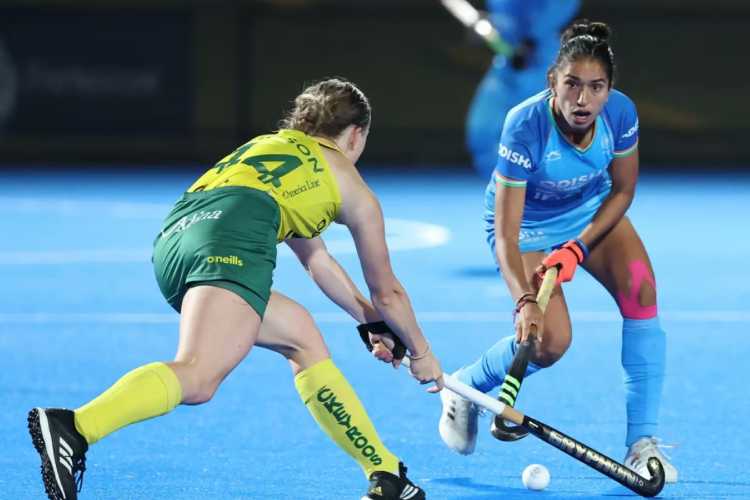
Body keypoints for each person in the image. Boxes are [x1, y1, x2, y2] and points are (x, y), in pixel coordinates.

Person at [28, 77, 444, 500]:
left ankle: (384, 470)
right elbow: (388, 291)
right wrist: (423, 353)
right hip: (232, 237)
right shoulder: (351, 185)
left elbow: (317, 260)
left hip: (175, 242)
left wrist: (370, 321)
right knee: (199, 375)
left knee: (300, 335)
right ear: (356, 134)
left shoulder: (271, 146)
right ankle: (76, 427)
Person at [439, 20, 678, 483]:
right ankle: (466, 385)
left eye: (596, 87)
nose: (583, 100)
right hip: (527, 226)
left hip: (589, 215)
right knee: (549, 344)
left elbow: (623, 191)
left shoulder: (620, 115)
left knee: (643, 295)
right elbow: (507, 233)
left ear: (610, 89)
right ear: (553, 81)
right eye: (572, 85)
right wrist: (524, 300)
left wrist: (577, 247)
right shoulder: (525, 125)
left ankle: (641, 443)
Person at [466, 0, 580, 179]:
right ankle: (505, 194)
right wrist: (491, 23)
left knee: (543, 137)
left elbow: (560, 7)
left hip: (543, 62)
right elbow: (506, 18)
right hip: (506, 66)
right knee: (482, 133)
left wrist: (532, 40)